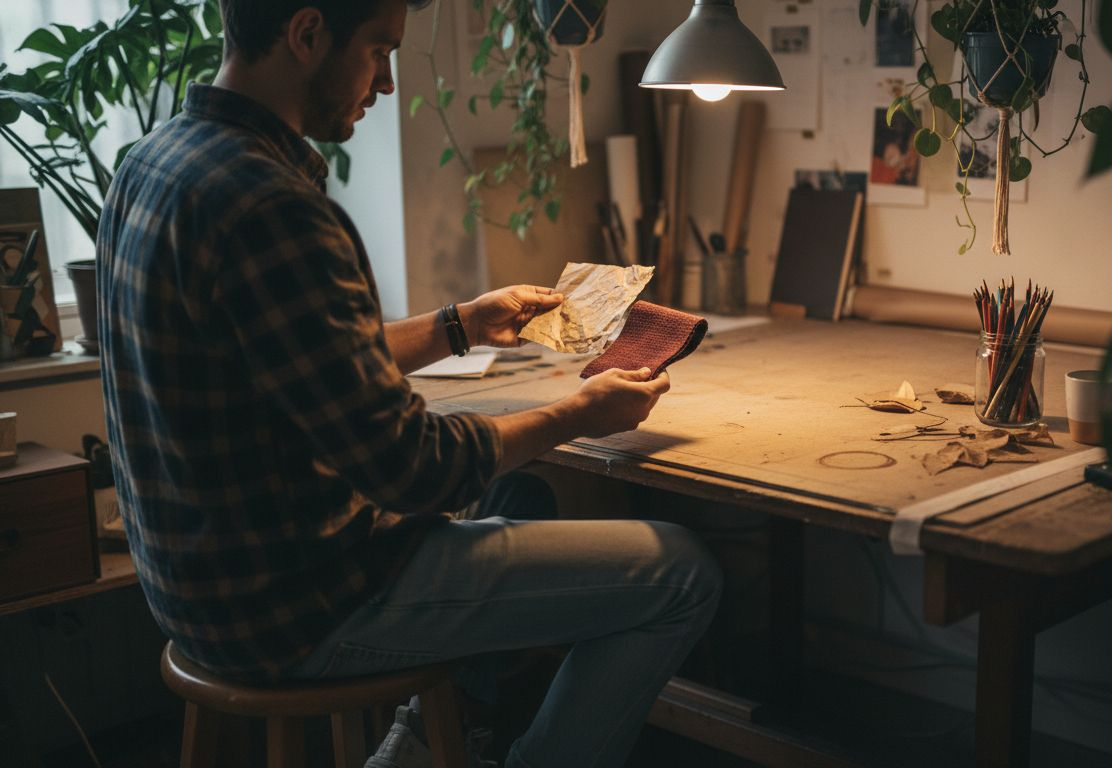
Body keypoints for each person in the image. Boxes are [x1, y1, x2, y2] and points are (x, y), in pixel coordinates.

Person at [95, 1, 723, 766]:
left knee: (519, 496)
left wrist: (458, 324)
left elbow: (298, 359)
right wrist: (579, 413)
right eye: (379, 51)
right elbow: (412, 467)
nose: (387, 83)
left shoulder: (155, 162)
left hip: (195, 586)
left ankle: (417, 747)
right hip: (298, 606)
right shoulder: (274, 207)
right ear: (304, 33)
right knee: (680, 569)